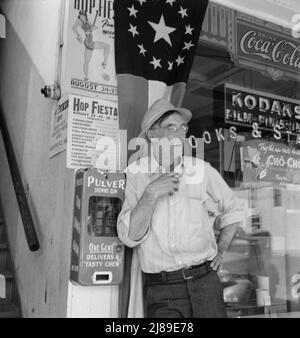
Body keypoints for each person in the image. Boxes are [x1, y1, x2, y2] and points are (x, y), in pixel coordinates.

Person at [117, 98, 245, 318]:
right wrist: (151, 193)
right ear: (151, 134)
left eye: (182, 128)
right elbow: (129, 236)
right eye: (170, 128)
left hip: (206, 283)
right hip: (162, 289)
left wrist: (222, 248)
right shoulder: (135, 174)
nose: (178, 135)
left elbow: (234, 209)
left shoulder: (201, 170)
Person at [72, 10, 110, 82]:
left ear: (85, 16)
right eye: (81, 16)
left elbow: (94, 27)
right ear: (79, 16)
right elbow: (74, 28)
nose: (83, 17)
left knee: (107, 46)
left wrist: (93, 27)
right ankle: (86, 77)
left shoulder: (87, 21)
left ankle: (104, 63)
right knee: (86, 62)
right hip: (88, 43)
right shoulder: (79, 21)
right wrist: (78, 35)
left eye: (84, 16)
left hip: (91, 42)